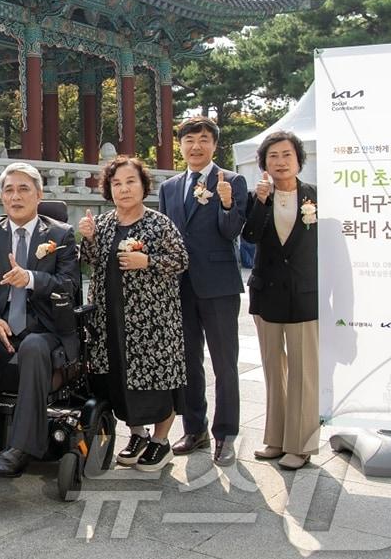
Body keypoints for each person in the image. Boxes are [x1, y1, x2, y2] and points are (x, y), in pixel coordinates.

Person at [0, 163, 81, 477]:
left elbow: (69, 285)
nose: (16, 196)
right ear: (1, 197)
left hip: (46, 326)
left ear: (39, 195)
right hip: (3, 323)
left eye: (24, 189)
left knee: (35, 346)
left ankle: (22, 448)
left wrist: (32, 278)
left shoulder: (60, 234)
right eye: (9, 190)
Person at [78, 156, 190, 472]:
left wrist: (149, 262)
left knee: (156, 382)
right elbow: (87, 261)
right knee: (116, 379)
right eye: (117, 183)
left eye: (130, 182)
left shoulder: (159, 223)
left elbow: (181, 260)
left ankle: (161, 441)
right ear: (108, 189)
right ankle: (137, 435)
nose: (124, 189)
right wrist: (86, 238)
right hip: (108, 318)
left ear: (143, 186)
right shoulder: (101, 224)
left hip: (152, 322)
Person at [156, 116, 248, 466]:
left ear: (214, 145)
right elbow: (164, 235)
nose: (196, 146)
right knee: (187, 362)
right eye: (189, 139)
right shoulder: (169, 187)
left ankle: (225, 434)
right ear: (180, 145)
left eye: (204, 139)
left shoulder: (233, 181)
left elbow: (232, 232)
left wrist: (226, 204)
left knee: (225, 363)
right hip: (179, 286)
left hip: (219, 286)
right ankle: (194, 429)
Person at [241, 131, 319, 471]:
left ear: (298, 159)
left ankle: (301, 445)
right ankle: (275, 438)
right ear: (264, 164)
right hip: (267, 294)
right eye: (273, 156)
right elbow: (250, 237)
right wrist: (260, 202)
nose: (281, 161)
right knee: (275, 370)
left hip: (304, 295)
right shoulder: (258, 196)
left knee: (304, 371)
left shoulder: (316, 196)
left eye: (286, 154)